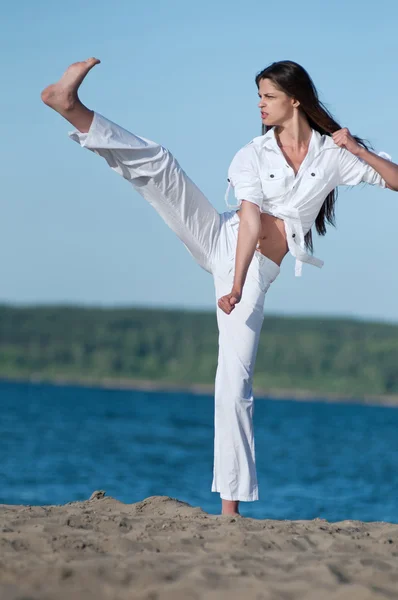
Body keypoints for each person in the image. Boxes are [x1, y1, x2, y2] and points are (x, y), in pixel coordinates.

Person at [41, 58, 398, 517]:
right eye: (259, 96)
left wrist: (357, 149)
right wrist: (233, 284)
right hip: (228, 245)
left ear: (295, 99)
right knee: (159, 165)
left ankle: (229, 508)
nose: (260, 105)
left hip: (253, 269)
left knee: (234, 379)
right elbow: (249, 219)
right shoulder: (253, 153)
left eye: (268, 96)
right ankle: (70, 107)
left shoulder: (332, 155)